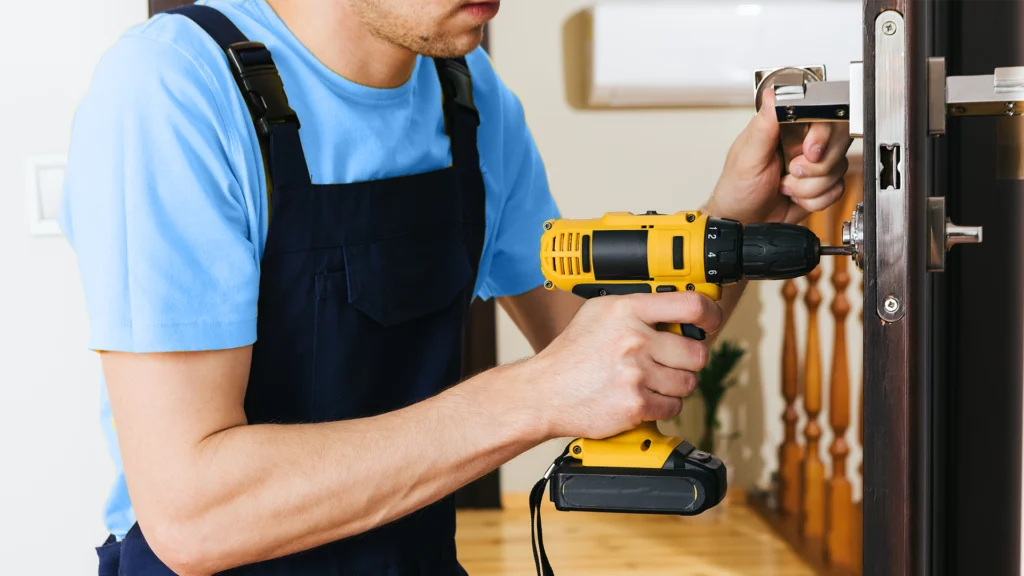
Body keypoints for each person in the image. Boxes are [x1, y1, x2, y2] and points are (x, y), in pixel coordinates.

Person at [58, 0, 851, 574]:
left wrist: (736, 220)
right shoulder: (176, 87)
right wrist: (535, 397)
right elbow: (193, 516)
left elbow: (608, 357)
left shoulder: (465, 93)